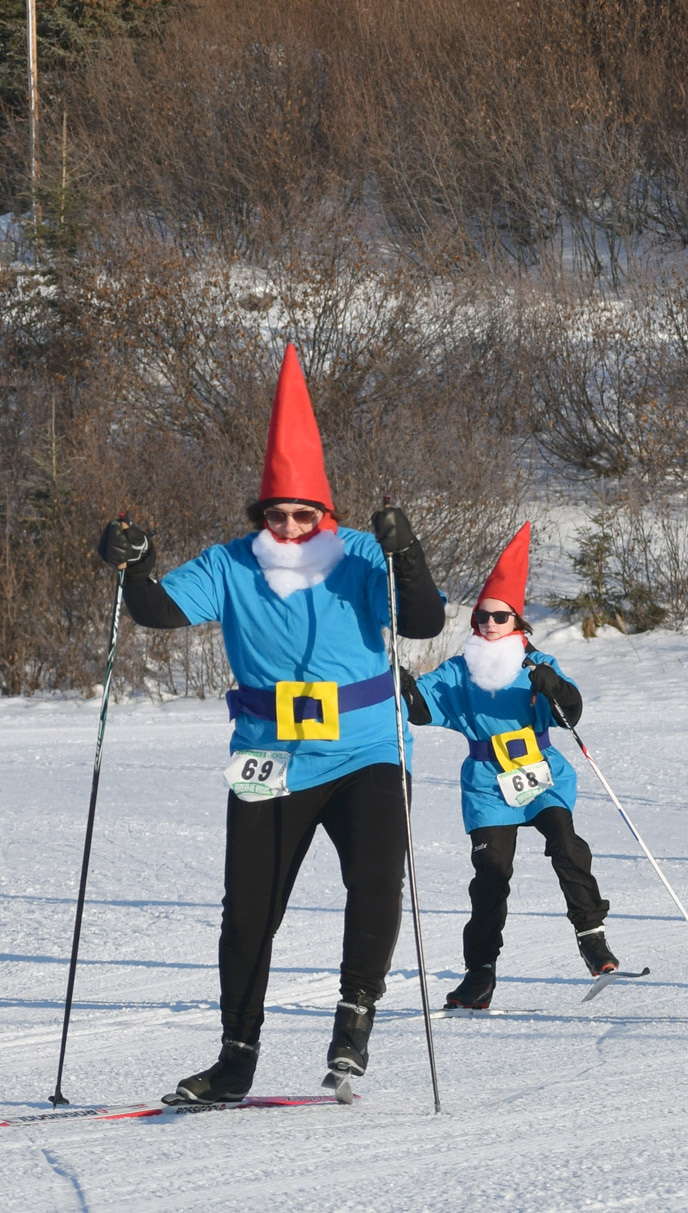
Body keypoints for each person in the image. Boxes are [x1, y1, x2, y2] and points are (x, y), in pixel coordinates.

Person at [96, 343, 445, 1104]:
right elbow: (156, 610)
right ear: (261, 514)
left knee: (376, 881)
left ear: (328, 514)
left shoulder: (359, 555)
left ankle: (353, 1022)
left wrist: (407, 551)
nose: (289, 527)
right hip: (271, 755)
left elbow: (420, 619)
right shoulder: (229, 563)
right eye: (277, 514)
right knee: (248, 908)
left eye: (304, 514)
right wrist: (133, 564)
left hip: (366, 748)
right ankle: (236, 1057)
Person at [399, 522, 620, 1007]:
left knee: (566, 844)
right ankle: (480, 975)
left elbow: (571, 713)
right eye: (482, 616)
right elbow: (421, 709)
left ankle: (592, 940)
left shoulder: (535, 661)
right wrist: (404, 685)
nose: (489, 625)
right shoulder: (460, 669)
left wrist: (553, 686)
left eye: (500, 617)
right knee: (491, 877)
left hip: (540, 773)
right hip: (486, 783)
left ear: (518, 622)